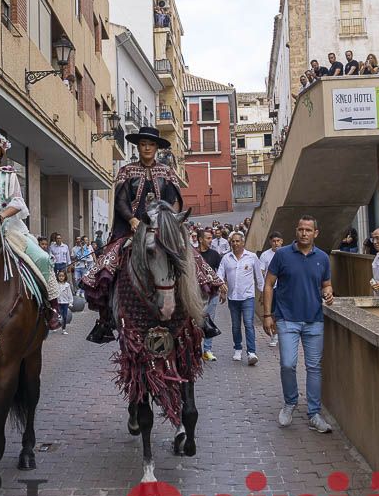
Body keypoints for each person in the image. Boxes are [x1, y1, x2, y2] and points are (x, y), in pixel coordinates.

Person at [82, 126, 220, 342]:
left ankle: (200, 314)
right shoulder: (126, 171)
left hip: (163, 228)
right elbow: (120, 201)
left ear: (156, 147)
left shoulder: (167, 172)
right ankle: (106, 319)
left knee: (192, 259)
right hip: (131, 229)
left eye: (151, 144)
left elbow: (174, 200)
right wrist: (133, 219)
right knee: (107, 265)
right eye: (143, 144)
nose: (147, 148)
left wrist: (170, 222)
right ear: (138, 147)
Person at [0, 128, 62, 330]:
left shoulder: (8, 176)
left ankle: (52, 307)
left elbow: (18, 203)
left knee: (42, 257)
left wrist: (1, 215)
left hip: (8, 230)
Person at [261, 216, 333, 433]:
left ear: (315, 233)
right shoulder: (282, 255)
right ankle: (290, 403)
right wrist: (267, 315)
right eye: (300, 229)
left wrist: (329, 292)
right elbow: (268, 284)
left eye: (308, 230)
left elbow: (326, 284)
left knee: (314, 368)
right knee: (288, 364)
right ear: (296, 231)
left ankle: (314, 413)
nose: (304, 233)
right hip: (286, 319)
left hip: (314, 320)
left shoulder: (322, 258)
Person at [217, 231, 263, 365]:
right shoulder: (226, 258)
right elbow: (219, 274)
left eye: (238, 241)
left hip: (248, 297)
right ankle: (237, 348)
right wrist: (222, 285)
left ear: (243, 242)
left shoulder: (252, 257)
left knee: (249, 324)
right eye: (233, 241)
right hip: (233, 297)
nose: (235, 244)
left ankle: (251, 352)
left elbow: (259, 277)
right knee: (236, 325)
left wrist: (263, 294)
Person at [195, 231, 224, 361]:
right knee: (195, 323)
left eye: (211, 238)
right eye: (208, 238)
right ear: (200, 240)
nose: (210, 240)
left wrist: (222, 288)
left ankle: (207, 350)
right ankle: (195, 349)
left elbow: (220, 272)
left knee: (209, 321)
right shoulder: (194, 255)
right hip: (196, 295)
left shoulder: (215, 254)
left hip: (212, 295)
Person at [258, 232, 285, 348]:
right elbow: (262, 272)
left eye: (278, 241)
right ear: (270, 242)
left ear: (282, 241)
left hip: (284, 288)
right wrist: (262, 290)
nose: (276, 243)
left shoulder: (286, 253)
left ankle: (283, 335)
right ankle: (274, 335)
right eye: (274, 241)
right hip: (272, 288)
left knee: (284, 313)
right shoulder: (265, 255)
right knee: (273, 313)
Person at [55, 269, 73, 335]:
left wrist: (70, 302)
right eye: (60, 276)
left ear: (65, 277)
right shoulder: (56, 285)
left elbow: (70, 294)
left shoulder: (67, 285)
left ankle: (64, 329)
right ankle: (56, 326)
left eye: (62, 276)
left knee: (64, 316)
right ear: (58, 277)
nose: (61, 277)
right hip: (58, 302)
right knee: (58, 315)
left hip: (65, 303)